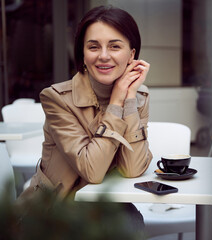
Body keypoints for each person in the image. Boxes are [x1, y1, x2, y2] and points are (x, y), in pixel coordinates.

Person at [18, 5, 152, 233]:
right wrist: (116, 101)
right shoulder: (56, 98)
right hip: (56, 210)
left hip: (107, 207)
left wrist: (128, 98)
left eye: (115, 46)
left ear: (131, 55)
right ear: (82, 53)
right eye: (93, 46)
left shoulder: (138, 96)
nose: (103, 55)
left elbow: (132, 169)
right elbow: (92, 170)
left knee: (130, 224)